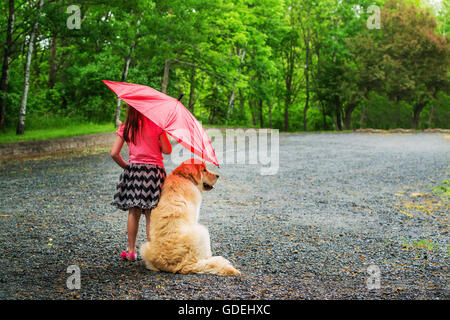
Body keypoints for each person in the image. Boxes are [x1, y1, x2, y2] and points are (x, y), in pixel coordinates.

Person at [110, 103, 172, 261]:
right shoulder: (156, 126)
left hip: (135, 171)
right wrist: (162, 133)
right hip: (154, 173)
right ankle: (152, 253)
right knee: (151, 213)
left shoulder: (127, 127)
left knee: (134, 212)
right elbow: (167, 150)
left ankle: (131, 251)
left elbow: (114, 153)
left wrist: (127, 167)